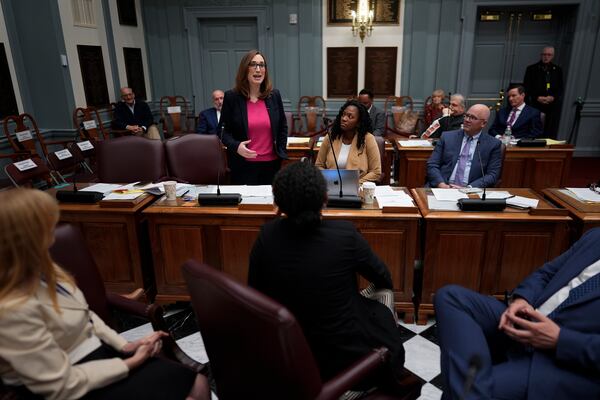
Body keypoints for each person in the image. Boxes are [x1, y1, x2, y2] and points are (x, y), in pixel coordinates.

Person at [0, 188, 209, 400]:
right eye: (45, 226)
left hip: (99, 352)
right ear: (23, 240)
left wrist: (126, 345)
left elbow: (86, 314)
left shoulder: (44, 267)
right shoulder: (10, 310)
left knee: (197, 382)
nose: (52, 231)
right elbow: (62, 385)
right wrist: (132, 362)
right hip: (69, 383)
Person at [248, 161, 413, 396]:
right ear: (324, 198)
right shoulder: (345, 234)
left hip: (287, 355)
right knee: (384, 294)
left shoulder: (266, 235)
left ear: (278, 202)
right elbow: (383, 277)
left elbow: (255, 294)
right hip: (343, 361)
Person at [435, 227, 600, 400]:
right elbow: (546, 273)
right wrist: (522, 299)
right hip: (524, 320)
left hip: (566, 361)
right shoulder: (596, 236)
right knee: (450, 297)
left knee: (463, 390)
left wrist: (559, 339)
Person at [219, 50, 287, 185]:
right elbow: (222, 131)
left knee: (271, 204)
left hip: (272, 165)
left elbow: (282, 127)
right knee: (247, 205)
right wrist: (236, 146)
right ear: (245, 69)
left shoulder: (274, 95)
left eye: (262, 65)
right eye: (253, 65)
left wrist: (281, 150)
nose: (258, 69)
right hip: (243, 166)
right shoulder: (232, 97)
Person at [426, 104, 502, 188]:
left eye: (472, 118)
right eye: (466, 116)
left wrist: (469, 188)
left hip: (470, 191)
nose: (467, 120)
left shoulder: (493, 144)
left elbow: (492, 174)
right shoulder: (447, 137)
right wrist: (441, 184)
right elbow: (432, 164)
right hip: (443, 186)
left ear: (483, 123)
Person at [315, 99, 381, 184]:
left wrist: (355, 184)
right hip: (331, 186)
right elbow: (318, 166)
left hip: (358, 188)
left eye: (350, 116)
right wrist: (330, 181)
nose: (344, 119)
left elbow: (376, 172)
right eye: (343, 115)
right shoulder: (331, 136)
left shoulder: (368, 139)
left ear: (358, 122)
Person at [523, 46, 564, 138]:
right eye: (544, 54)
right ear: (541, 55)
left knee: (549, 128)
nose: (546, 57)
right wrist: (536, 97)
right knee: (534, 125)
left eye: (549, 55)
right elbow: (526, 87)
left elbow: (560, 88)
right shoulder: (532, 69)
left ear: (553, 56)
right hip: (535, 103)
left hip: (551, 105)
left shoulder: (557, 70)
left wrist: (553, 97)